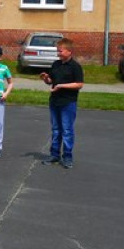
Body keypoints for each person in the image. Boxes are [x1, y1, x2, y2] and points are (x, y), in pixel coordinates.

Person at [40, 37, 85, 169]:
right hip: (54, 101)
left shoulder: (75, 67)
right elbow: (51, 81)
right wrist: (46, 78)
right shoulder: (55, 64)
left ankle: (67, 157)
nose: (58, 53)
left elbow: (79, 84)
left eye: (60, 51)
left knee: (67, 130)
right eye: (57, 51)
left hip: (68, 103)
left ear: (69, 51)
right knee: (55, 130)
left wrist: (61, 86)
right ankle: (54, 155)